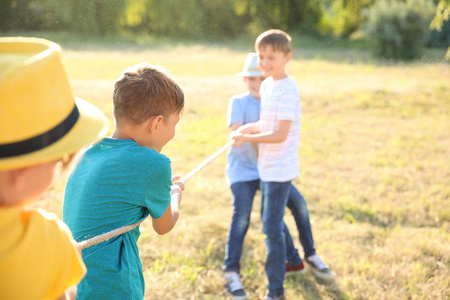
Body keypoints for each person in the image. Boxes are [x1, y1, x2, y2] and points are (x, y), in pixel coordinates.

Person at [63, 62, 185, 299]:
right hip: (111, 284)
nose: (173, 134)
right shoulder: (155, 164)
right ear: (156, 123)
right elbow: (164, 225)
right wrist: (175, 194)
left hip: (72, 279)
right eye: (174, 124)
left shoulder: (86, 153)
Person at [0, 37, 108, 299]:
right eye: (59, 160)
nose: (60, 170)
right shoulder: (46, 241)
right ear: (20, 172)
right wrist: (58, 259)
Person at [231, 30, 334, 300]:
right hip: (266, 168)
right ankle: (295, 264)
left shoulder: (289, 89)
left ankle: (275, 292)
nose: (265, 63)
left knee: (271, 230)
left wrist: (250, 136)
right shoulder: (267, 85)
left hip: (279, 172)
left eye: (272, 57)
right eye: (262, 57)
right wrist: (244, 131)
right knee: (277, 223)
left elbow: (279, 135)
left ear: (287, 58)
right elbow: (266, 124)